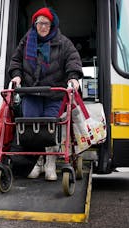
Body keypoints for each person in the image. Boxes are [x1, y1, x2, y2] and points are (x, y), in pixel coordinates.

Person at [8, 7, 83, 180]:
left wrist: (73, 78)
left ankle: (50, 163)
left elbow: (73, 59)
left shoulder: (63, 42)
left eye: (46, 23)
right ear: (34, 24)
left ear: (52, 24)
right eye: (39, 23)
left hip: (54, 94)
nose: (42, 26)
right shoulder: (27, 40)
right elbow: (16, 60)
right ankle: (39, 162)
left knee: (51, 127)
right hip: (31, 92)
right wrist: (17, 76)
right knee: (33, 129)